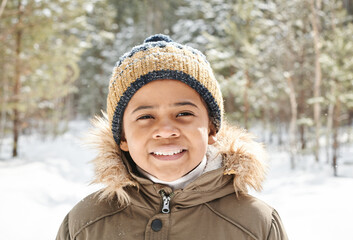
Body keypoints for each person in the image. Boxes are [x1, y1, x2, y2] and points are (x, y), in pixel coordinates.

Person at [56, 34, 288, 240]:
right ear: (122, 137)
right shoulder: (85, 224)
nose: (166, 130)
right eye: (146, 116)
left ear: (211, 129)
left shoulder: (256, 224)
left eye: (184, 113)